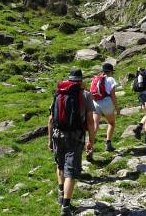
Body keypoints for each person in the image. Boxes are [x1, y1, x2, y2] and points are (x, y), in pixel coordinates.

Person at [48, 68, 95, 216]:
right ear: (81, 81)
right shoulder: (86, 95)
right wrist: (91, 141)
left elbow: (50, 119)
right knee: (71, 172)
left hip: (57, 134)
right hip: (75, 137)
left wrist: (50, 140)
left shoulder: (59, 93)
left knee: (60, 165)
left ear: (69, 79)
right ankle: (66, 208)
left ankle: (60, 192)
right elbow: (90, 121)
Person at [90, 62, 120, 155]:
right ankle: (108, 144)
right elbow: (113, 95)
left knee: (95, 124)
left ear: (103, 71)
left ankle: (90, 145)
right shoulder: (110, 79)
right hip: (106, 102)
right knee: (111, 123)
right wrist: (117, 108)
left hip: (95, 102)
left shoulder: (95, 79)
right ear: (110, 71)